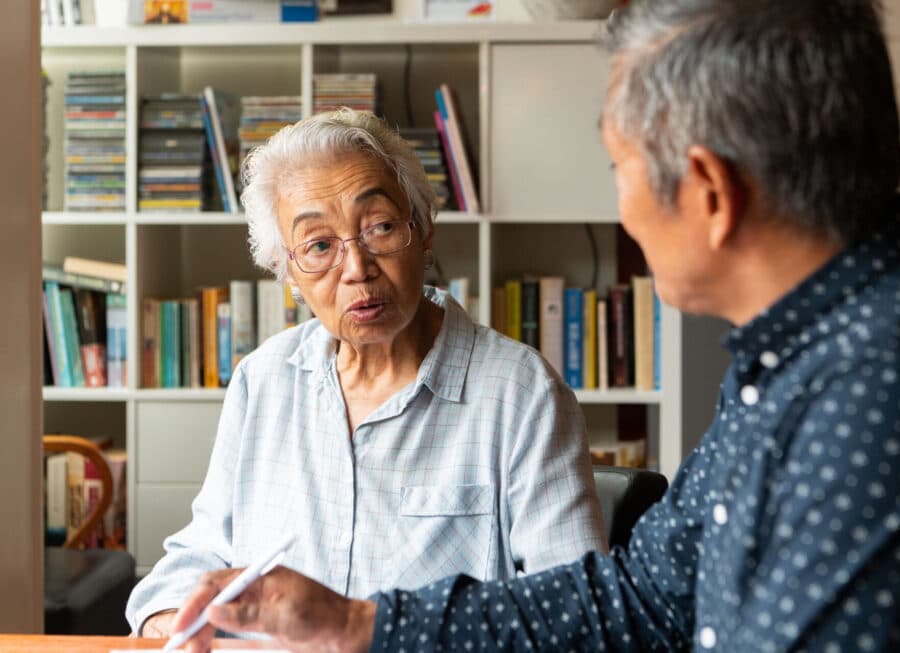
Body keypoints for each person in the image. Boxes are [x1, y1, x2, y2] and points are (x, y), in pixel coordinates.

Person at [168, 1, 900, 651]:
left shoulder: (893, 388)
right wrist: (356, 626)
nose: (622, 211)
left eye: (619, 169)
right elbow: (646, 599)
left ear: (708, 190)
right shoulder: (788, 358)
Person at [126, 108, 607, 637]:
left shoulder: (522, 395)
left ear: (423, 229)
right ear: (287, 271)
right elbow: (204, 549)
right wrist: (173, 620)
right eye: (319, 246)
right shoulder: (262, 380)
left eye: (379, 227)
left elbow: (577, 618)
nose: (357, 269)